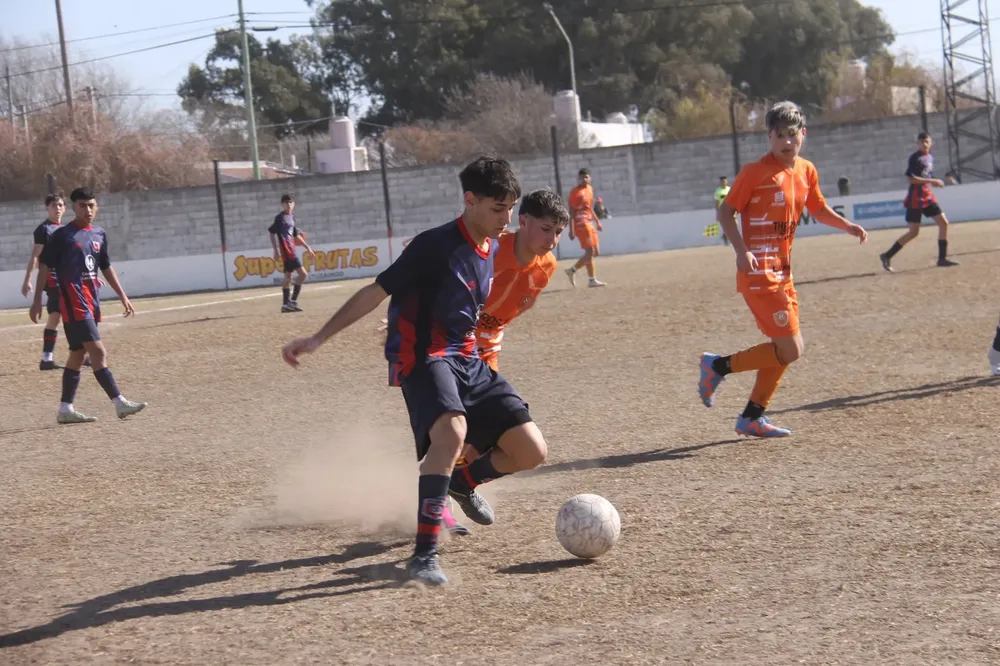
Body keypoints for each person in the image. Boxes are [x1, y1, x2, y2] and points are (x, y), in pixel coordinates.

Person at [281, 156, 548, 586]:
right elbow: (375, 291)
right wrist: (316, 339)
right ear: (470, 201)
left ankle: (462, 483)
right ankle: (424, 555)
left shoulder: (492, 246)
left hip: (467, 359)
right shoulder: (434, 244)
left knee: (531, 450)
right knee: (453, 432)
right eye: (498, 209)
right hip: (425, 358)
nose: (507, 219)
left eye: (511, 209)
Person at [698, 101, 868, 438]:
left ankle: (751, 416)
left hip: (784, 272)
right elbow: (725, 213)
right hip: (759, 272)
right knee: (790, 349)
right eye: (779, 135)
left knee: (788, 350)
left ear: (803, 134)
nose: (786, 142)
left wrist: (846, 225)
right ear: (769, 137)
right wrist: (741, 251)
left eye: (792, 134)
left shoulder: (806, 170)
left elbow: (818, 208)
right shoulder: (754, 172)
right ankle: (717, 366)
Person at [442, 188, 568, 537]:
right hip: (452, 351)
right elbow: (439, 280)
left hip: (486, 358)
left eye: (558, 232)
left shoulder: (547, 267)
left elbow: (519, 306)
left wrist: (490, 335)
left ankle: (459, 485)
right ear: (522, 221)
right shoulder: (489, 250)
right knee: (458, 433)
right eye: (546, 229)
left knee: (492, 442)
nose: (552, 240)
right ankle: (438, 503)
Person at [29, 187, 147, 424]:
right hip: (73, 303)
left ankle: (65, 409)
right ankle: (119, 403)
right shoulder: (62, 236)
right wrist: (36, 300)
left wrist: (122, 295)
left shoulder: (99, 234)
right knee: (98, 352)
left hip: (90, 302)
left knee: (77, 353)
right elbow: (44, 266)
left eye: (92, 205)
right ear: (74, 207)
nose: (88, 210)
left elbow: (104, 265)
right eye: (82, 206)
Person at [879, 132, 958, 271]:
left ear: (931, 143)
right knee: (913, 232)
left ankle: (942, 258)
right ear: (918, 144)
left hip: (927, 197)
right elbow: (911, 179)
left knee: (944, 223)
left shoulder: (930, 158)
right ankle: (887, 255)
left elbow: (926, 175)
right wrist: (932, 180)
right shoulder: (915, 158)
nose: (924, 144)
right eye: (921, 142)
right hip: (916, 198)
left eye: (926, 141)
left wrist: (936, 181)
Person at [269, 194, 316, 313]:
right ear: (282, 204)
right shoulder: (280, 218)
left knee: (288, 277)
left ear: (293, 204)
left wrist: (307, 247)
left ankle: (286, 304)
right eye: (286, 202)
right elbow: (271, 232)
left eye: (290, 202)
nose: (288, 204)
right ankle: (292, 301)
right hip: (287, 250)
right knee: (303, 274)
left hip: (291, 249)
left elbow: (295, 235)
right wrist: (275, 250)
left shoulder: (292, 217)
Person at [565, 168, 606, 287]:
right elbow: (571, 212)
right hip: (581, 224)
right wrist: (571, 230)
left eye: (586, 177)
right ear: (578, 179)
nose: (584, 179)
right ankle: (592, 279)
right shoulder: (575, 193)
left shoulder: (589, 189)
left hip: (589, 222)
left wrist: (597, 222)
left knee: (595, 252)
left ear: (590, 178)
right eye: (581, 177)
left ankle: (571, 270)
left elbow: (589, 208)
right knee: (590, 251)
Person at [714, 176, 731, 246]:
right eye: (722, 181)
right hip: (722, 210)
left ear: (726, 181)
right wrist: (718, 212)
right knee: (725, 226)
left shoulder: (730, 189)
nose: (723, 182)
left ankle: (725, 236)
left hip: (730, 209)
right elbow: (716, 202)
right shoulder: (718, 191)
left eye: (725, 181)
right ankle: (726, 238)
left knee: (735, 224)